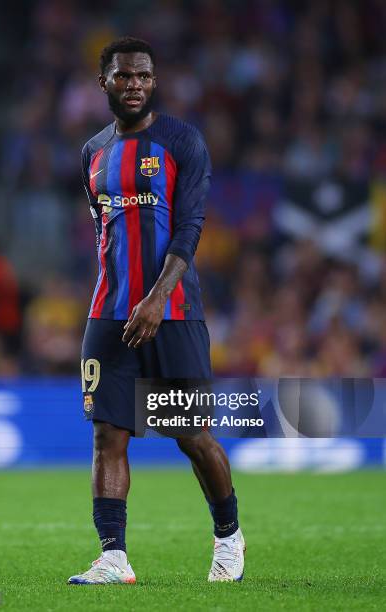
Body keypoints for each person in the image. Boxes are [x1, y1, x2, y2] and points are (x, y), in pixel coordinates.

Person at [68, 36, 245, 585]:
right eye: (123, 76)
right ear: (105, 83)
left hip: (171, 311)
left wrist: (155, 297)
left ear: (154, 80)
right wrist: (125, 301)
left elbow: (190, 228)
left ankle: (228, 538)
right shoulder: (92, 151)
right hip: (108, 315)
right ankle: (113, 556)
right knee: (107, 436)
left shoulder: (181, 141)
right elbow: (107, 236)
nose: (134, 85)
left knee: (190, 434)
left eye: (143, 75)